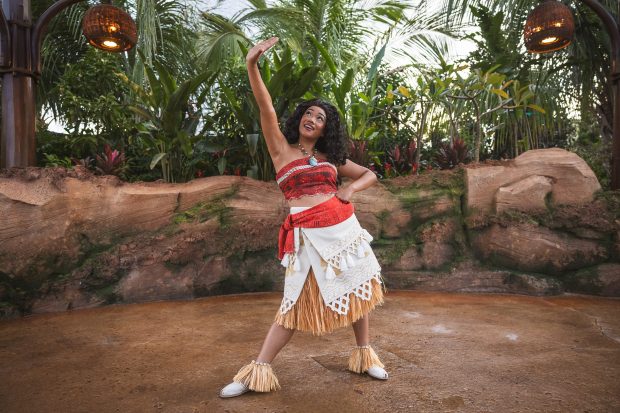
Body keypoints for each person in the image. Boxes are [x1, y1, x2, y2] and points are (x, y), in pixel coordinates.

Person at [219, 37, 388, 398]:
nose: (313, 119)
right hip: (307, 235)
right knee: (293, 302)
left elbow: (370, 174)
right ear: (299, 120)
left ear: (326, 129)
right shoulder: (280, 149)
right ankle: (257, 371)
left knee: (356, 288)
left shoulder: (331, 159)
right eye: (309, 113)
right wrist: (252, 65)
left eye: (320, 117)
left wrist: (349, 191)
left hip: (342, 228)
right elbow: (265, 107)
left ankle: (363, 354)